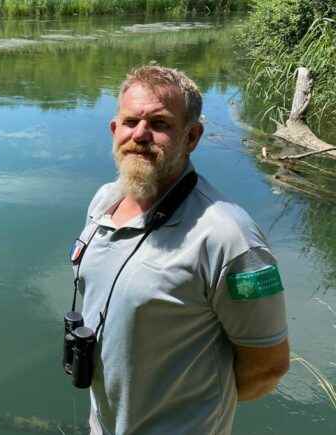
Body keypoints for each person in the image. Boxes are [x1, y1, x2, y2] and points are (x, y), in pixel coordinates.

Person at [71, 66, 289, 435]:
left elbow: (267, 366)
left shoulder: (228, 237)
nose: (140, 135)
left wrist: (191, 414)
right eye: (129, 122)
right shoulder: (105, 200)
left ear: (192, 136)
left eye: (160, 124)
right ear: (114, 130)